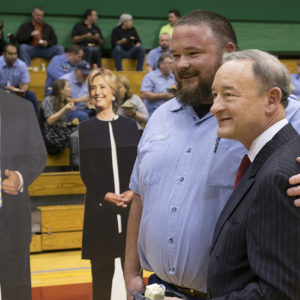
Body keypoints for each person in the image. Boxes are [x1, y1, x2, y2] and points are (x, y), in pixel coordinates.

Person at [124, 10, 300, 300]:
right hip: (158, 289)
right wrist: (131, 274)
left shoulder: (280, 111)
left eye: (193, 53)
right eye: (175, 54)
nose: (180, 64)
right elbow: (140, 197)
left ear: (228, 52)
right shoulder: (159, 117)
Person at [207, 49, 300, 299]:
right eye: (214, 95)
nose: (215, 107)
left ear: (271, 100)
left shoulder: (280, 174)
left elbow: (278, 292)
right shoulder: (274, 157)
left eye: (228, 95)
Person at [79, 68, 140, 299]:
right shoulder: (86, 128)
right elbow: (86, 172)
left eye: (102, 87)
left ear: (114, 93)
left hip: (129, 209)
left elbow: (138, 165)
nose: (97, 92)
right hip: (100, 211)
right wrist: (105, 195)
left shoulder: (129, 126)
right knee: (101, 277)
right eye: (93, 88)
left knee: (132, 277)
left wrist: (132, 191)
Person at [0, 88, 47, 299]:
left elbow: (38, 154)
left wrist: (20, 177)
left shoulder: (22, 107)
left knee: (16, 290)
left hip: (12, 218)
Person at [40, 79, 77, 154]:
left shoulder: (64, 102)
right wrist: (64, 109)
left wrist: (71, 124)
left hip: (59, 131)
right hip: (49, 135)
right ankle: (76, 162)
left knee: (81, 130)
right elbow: (49, 121)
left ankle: (77, 161)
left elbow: (62, 123)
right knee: (77, 136)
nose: (71, 88)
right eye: (68, 87)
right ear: (61, 90)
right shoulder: (48, 100)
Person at [0, 44, 39, 115]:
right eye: (10, 54)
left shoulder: (22, 65)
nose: (14, 56)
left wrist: (22, 91)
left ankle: (37, 122)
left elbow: (26, 83)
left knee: (31, 95)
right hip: (1, 89)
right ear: (4, 54)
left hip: (14, 90)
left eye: (15, 53)